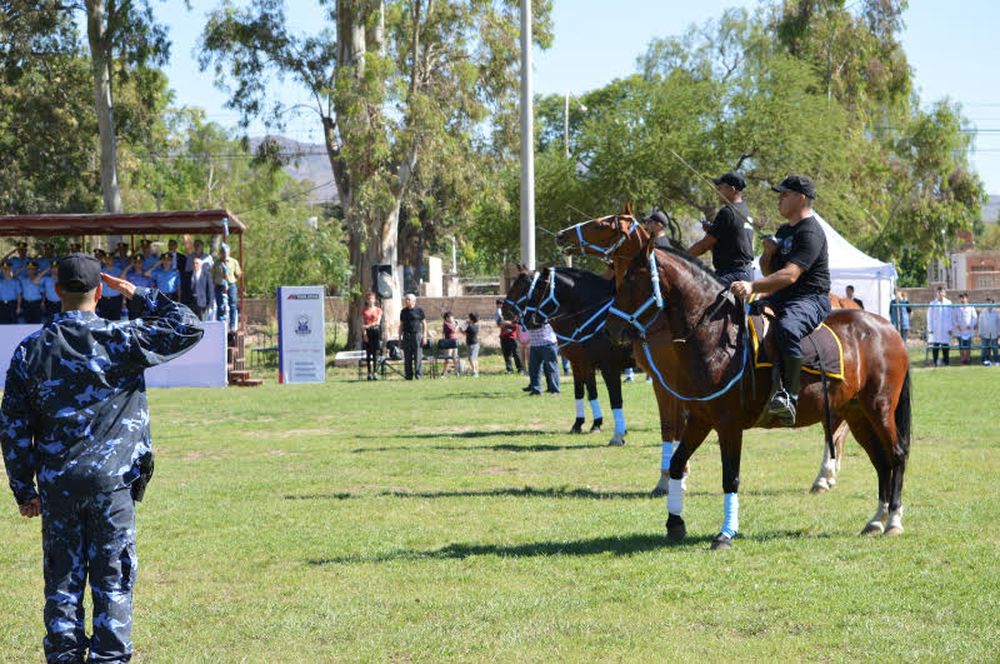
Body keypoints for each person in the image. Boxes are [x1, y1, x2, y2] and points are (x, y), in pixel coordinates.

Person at [0, 253, 203, 663]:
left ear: (56, 290)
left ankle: (65, 656)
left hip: (58, 485)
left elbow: (14, 426)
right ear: (99, 293)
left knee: (62, 582)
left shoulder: (30, 350)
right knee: (113, 580)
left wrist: (24, 489)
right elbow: (188, 325)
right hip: (112, 485)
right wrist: (137, 294)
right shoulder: (122, 338)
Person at [730, 175, 831, 425]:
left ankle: (789, 396)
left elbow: (790, 275)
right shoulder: (784, 231)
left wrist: (752, 286)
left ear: (801, 198)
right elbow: (770, 271)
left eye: (785, 194)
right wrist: (768, 253)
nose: (780, 199)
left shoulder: (811, 232)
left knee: (787, 328)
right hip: (782, 296)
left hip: (810, 298)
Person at [687, 171, 756, 285]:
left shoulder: (727, 212)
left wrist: (681, 256)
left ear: (732, 189)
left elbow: (704, 245)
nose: (718, 192)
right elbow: (734, 241)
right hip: (745, 273)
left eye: (720, 188)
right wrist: (712, 230)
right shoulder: (745, 211)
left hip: (732, 274)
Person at [526, 320, 560, 395]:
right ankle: (536, 390)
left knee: (551, 368)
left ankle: (555, 390)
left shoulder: (542, 315)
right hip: (534, 344)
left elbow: (538, 323)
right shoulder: (527, 316)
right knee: (534, 369)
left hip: (548, 343)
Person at [213, 244, 242, 332]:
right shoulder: (217, 263)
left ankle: (232, 325)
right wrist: (216, 282)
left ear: (229, 252)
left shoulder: (233, 262)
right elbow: (212, 274)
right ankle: (220, 324)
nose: (224, 254)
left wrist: (233, 280)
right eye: (222, 252)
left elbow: (239, 274)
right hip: (219, 286)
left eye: (226, 252)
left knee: (232, 304)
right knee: (220, 305)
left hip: (231, 285)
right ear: (220, 253)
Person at [398, 293, 427, 380]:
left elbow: (424, 324)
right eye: (406, 299)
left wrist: (425, 336)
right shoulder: (403, 311)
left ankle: (418, 375)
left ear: (414, 301)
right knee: (407, 356)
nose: (406, 301)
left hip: (416, 335)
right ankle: (408, 375)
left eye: (408, 299)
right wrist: (399, 338)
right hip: (406, 335)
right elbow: (401, 325)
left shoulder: (419, 310)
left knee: (418, 355)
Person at [926, 286, 953, 366]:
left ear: (945, 293)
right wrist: (930, 328)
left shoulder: (948, 303)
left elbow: (951, 316)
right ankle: (935, 362)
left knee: (945, 346)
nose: (941, 294)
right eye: (939, 292)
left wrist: (950, 327)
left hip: (946, 328)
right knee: (935, 346)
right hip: (936, 328)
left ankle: (946, 362)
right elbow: (929, 317)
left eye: (942, 292)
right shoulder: (932, 303)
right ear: (937, 293)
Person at [123, 255, 154, 320]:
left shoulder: (147, 274)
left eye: (140, 262)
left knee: (145, 320)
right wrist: (130, 265)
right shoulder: (130, 274)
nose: (138, 264)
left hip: (145, 300)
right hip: (133, 299)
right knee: (133, 320)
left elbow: (151, 288)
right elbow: (122, 278)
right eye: (136, 262)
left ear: (143, 263)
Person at [361, 292, 383, 380]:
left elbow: (378, 322)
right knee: (368, 353)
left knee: (375, 353)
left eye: (372, 298)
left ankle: (375, 372)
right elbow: (362, 324)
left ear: (374, 300)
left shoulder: (378, 310)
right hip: (367, 333)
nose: (370, 300)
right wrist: (364, 334)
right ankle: (369, 372)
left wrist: (368, 326)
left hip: (375, 332)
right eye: (369, 298)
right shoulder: (364, 311)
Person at [97, 251, 125, 320]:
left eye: (110, 259)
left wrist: (124, 301)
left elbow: (123, 286)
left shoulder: (119, 271)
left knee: (116, 321)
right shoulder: (100, 271)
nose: (108, 261)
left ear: (113, 260)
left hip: (116, 299)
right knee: (103, 321)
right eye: (106, 259)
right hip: (103, 300)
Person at [953, 292, 977, 365]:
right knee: (961, 345)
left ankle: (968, 358)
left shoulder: (971, 307)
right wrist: (957, 326)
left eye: (964, 298)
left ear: (967, 298)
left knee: (968, 345)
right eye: (961, 298)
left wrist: (970, 325)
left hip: (968, 330)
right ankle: (962, 359)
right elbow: (954, 318)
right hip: (960, 330)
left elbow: (975, 317)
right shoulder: (957, 307)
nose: (962, 300)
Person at [978, 297, 998, 365]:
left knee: (995, 349)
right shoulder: (983, 312)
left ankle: (997, 361)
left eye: (990, 302)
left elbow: (998, 323)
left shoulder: (996, 312)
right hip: (985, 333)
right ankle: (982, 361)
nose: (989, 304)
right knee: (984, 349)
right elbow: (980, 323)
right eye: (988, 302)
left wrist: (999, 332)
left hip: (994, 333)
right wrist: (980, 332)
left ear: (993, 303)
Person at [439, 311, 459, 377]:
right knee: (447, 359)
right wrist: (457, 325)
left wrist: (455, 324)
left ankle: (457, 372)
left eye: (453, 317)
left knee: (455, 358)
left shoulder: (452, 323)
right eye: (451, 317)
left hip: (454, 343)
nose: (453, 318)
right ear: (447, 318)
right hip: (448, 344)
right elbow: (454, 330)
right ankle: (444, 373)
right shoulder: (446, 324)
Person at [462, 312, 480, 377]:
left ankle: (474, 371)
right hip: (475, 344)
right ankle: (476, 371)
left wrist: (464, 324)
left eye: (469, 318)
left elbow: (464, 332)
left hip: (471, 344)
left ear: (472, 320)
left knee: (471, 358)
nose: (468, 319)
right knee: (475, 358)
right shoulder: (477, 326)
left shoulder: (470, 327)